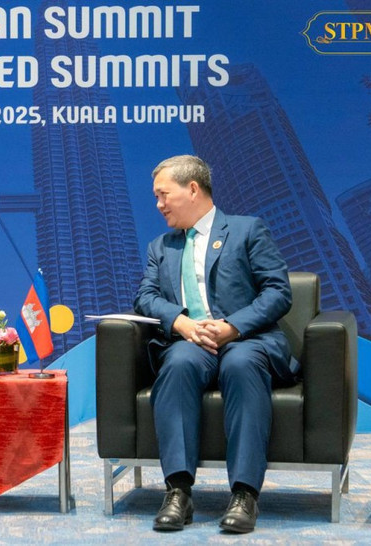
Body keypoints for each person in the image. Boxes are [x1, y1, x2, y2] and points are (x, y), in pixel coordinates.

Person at [134, 155, 297, 534]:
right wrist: (181, 322)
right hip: (191, 342)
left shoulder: (247, 230)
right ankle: (178, 490)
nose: (158, 205)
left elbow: (278, 292)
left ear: (192, 189)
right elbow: (145, 296)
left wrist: (232, 327)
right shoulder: (161, 247)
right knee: (177, 365)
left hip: (247, 340)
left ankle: (244, 494)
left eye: (163, 194)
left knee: (240, 365)